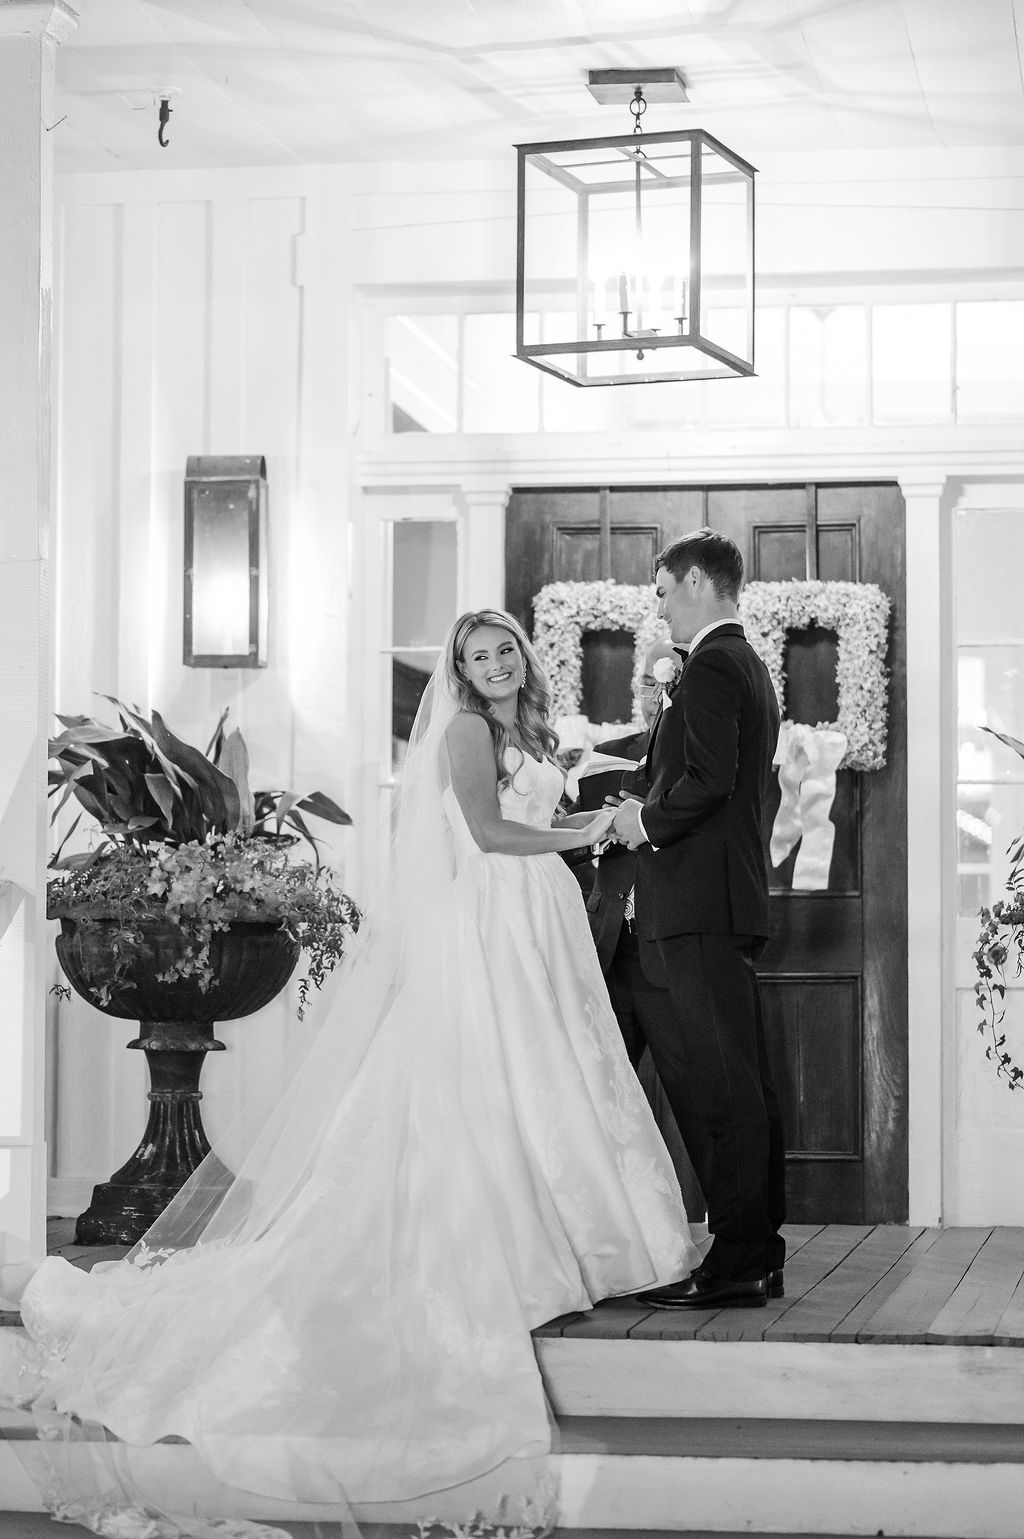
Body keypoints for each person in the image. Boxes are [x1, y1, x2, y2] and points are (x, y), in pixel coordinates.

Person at [1, 607, 707, 1534]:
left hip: (542, 916)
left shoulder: (530, 728)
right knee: (503, 1080)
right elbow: (490, 833)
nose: (497, 662)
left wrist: (601, 818)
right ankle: (513, 1241)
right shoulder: (465, 731)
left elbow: (539, 815)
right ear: (461, 672)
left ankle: (582, 1232)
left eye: (506, 649)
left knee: (558, 1075)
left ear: (524, 658)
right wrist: (588, 836)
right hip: (495, 921)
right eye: (479, 655)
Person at [610, 530, 786, 1309]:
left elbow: (711, 780)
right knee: (733, 1082)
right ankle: (755, 1251)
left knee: (723, 1087)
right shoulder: (741, 663)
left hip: (700, 905)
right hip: (710, 901)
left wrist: (643, 821)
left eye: (661, 590)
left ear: (693, 582)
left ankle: (741, 1259)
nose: (659, 607)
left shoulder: (715, 664)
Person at [575, 638, 705, 1222]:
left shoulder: (704, 758)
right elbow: (573, 848)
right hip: (606, 951)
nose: (657, 694)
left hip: (673, 947)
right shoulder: (604, 758)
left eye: (668, 681)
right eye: (649, 683)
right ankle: (604, 1223)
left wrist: (651, 819)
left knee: (693, 1096)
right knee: (600, 1095)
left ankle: (696, 1219)